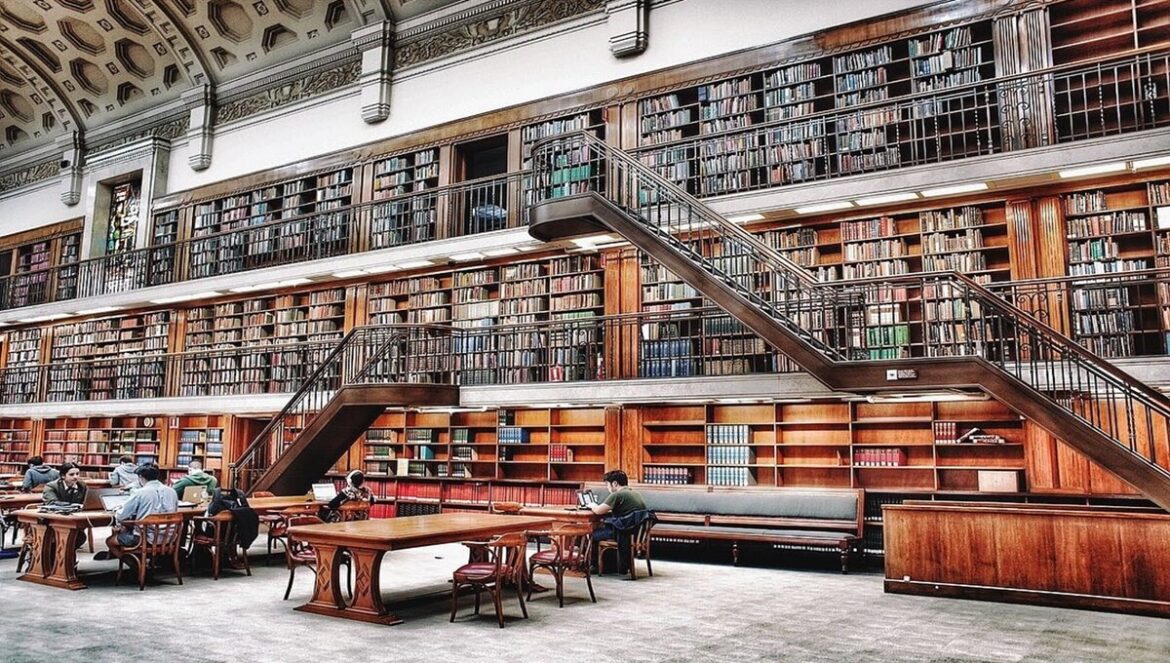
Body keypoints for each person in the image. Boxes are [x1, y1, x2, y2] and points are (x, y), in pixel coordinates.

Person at [97, 465, 178, 562]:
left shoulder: (140, 493)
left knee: (110, 541)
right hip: (169, 537)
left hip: (145, 539)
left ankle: (135, 564)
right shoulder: (172, 491)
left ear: (141, 477)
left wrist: (117, 511)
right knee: (127, 529)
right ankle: (146, 562)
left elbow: (121, 515)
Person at [589, 469, 651, 574]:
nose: (607, 488)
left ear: (614, 483)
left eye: (607, 485)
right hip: (634, 533)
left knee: (589, 534)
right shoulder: (635, 493)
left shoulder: (617, 495)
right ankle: (610, 565)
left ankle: (595, 566)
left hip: (623, 532)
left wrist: (592, 505)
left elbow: (598, 511)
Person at [43, 462, 89, 548]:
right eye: (71, 474)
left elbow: (86, 501)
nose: (75, 477)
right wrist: (73, 506)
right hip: (53, 520)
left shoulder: (82, 486)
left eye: (77, 474)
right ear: (63, 476)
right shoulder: (51, 486)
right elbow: (52, 502)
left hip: (73, 519)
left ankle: (67, 554)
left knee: (80, 537)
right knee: (69, 537)